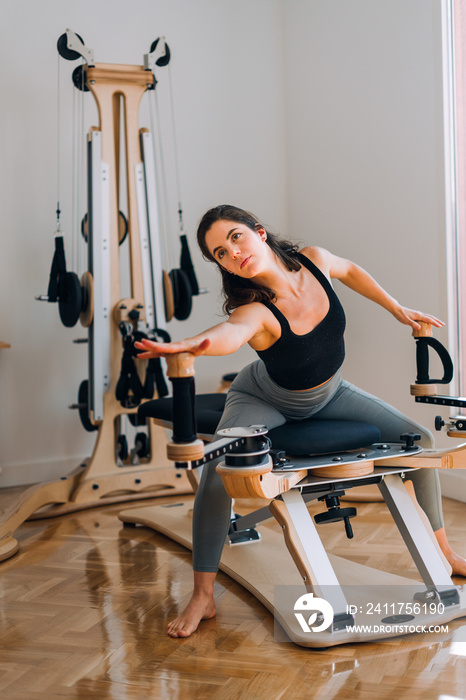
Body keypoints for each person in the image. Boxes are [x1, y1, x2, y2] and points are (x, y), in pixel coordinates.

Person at [135, 204, 466, 638]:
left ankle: (443, 554)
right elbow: (230, 334)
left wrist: (396, 308)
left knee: (419, 440)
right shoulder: (256, 310)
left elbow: (349, 270)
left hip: (332, 394)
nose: (232, 253)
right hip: (263, 398)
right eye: (220, 252)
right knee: (218, 472)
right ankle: (202, 595)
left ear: (258, 232)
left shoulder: (315, 260)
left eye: (235, 237)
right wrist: (195, 344)